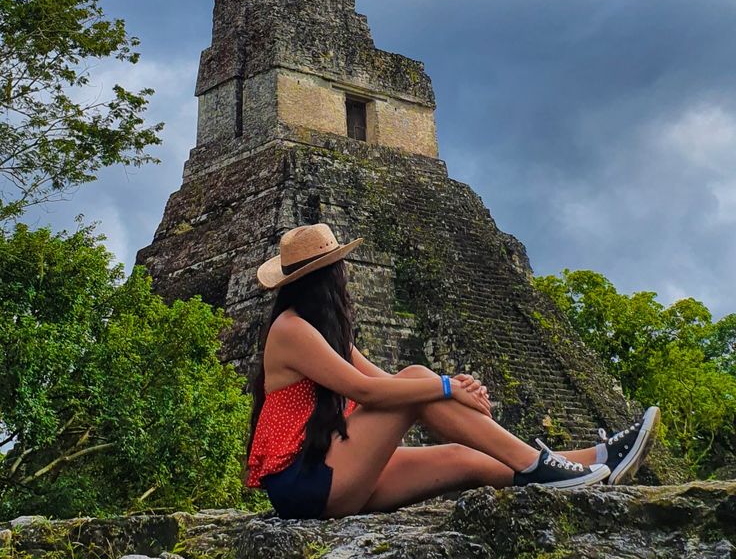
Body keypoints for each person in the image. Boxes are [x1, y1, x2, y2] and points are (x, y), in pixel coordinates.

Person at [244, 223, 661, 521]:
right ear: (330, 277)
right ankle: (539, 466)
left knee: (466, 459)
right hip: (306, 483)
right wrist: (444, 387)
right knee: (416, 378)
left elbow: (385, 385)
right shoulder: (291, 330)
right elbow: (369, 392)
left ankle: (597, 463)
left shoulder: (321, 330)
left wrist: (451, 390)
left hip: (331, 470)